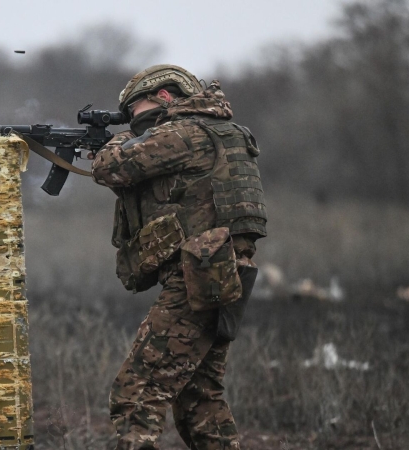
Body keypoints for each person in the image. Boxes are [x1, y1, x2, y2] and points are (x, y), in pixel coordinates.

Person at [89, 65, 267, 450]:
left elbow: (111, 166)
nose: (132, 120)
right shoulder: (222, 132)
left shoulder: (184, 132)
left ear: (165, 98)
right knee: (199, 399)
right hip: (224, 273)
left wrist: (108, 145)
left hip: (200, 276)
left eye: (133, 109)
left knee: (137, 393)